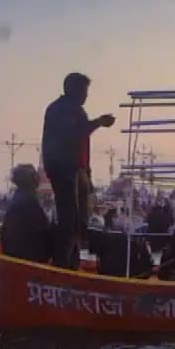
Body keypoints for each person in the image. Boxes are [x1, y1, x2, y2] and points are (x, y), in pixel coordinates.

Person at [41, 72, 115, 268]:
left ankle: (71, 261)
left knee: (79, 220)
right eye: (84, 91)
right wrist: (99, 122)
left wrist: (87, 174)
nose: (86, 95)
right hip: (63, 170)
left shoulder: (76, 111)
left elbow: (82, 145)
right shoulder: (60, 110)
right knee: (69, 219)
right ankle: (63, 264)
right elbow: (74, 134)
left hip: (77, 170)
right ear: (73, 89)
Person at [0, 164, 55, 264]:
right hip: (28, 257)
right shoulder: (28, 201)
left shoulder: (18, 198)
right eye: (35, 175)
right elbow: (43, 229)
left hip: (14, 253)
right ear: (31, 180)